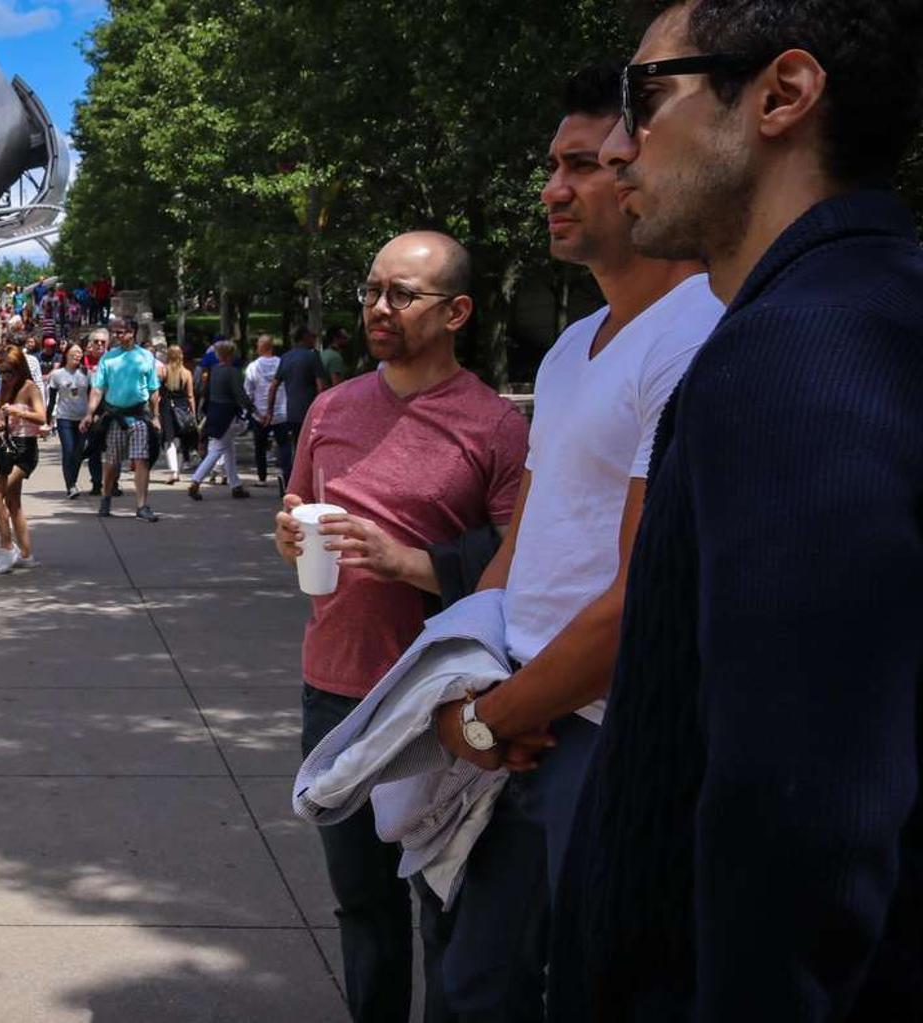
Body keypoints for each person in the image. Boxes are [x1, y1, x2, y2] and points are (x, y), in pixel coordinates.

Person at [551, 3, 923, 1019]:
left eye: (645, 97)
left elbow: (800, 817)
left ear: (781, 95)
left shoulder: (800, 355)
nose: (620, 144)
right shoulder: (863, 312)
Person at [424, 64, 723, 1022]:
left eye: (584, 165)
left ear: (649, 170)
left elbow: (646, 591)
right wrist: (463, 677)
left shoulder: (699, 335)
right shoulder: (572, 344)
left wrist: (491, 716)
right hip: (517, 719)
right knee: (476, 987)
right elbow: (531, 539)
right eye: (552, 165)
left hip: (600, 735)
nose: (552, 188)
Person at [270, 231, 529, 1023]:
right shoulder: (331, 408)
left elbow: (525, 563)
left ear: (457, 312)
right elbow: (299, 512)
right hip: (337, 689)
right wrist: (289, 539)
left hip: (440, 704)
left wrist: (409, 562)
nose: (379, 308)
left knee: (445, 906)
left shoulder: (494, 426)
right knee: (363, 909)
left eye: (401, 295)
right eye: (373, 290)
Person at [79, 325, 163, 521]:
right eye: (114, 333)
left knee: (142, 459)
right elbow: (98, 389)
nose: (116, 336)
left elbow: (153, 389)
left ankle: (142, 506)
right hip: (115, 417)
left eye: (120, 332)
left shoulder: (145, 357)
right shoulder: (108, 358)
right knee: (112, 463)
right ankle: (106, 498)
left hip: (139, 416)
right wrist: (89, 413)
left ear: (132, 332)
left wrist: (156, 416)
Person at [0, 344, 45, 574]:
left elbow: (41, 417)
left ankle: (6, 547)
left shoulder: (29, 388)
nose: (5, 377)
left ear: (19, 369)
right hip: (8, 448)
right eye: (1, 372)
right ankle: (26, 554)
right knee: (13, 503)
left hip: (25, 450)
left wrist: (18, 412)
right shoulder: (4, 388)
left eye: (9, 372)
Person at [187, 340, 251, 500]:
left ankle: (235, 485)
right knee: (217, 450)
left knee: (229, 450)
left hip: (215, 412)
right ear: (230, 354)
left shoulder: (214, 370)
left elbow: (206, 392)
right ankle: (196, 480)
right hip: (228, 414)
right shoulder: (233, 372)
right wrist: (252, 409)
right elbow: (239, 394)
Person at [268, 326, 330, 455]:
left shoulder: (285, 358)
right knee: (313, 448)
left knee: (297, 448)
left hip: (291, 412)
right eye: (312, 337)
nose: (314, 340)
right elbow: (321, 386)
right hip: (310, 411)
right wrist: (322, 410)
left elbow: (273, 386)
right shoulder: (312, 356)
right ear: (305, 338)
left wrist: (270, 411)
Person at [47, 341, 92, 499]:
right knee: (69, 450)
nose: (77, 355)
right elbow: (51, 399)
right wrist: (48, 420)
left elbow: (93, 395)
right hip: (64, 417)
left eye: (80, 353)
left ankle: (73, 480)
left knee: (78, 452)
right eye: (74, 352)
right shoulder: (57, 375)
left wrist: (92, 414)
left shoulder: (86, 373)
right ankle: (70, 486)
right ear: (66, 354)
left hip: (82, 419)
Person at [244, 334, 286, 486]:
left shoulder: (253, 367)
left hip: (260, 414)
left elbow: (247, 392)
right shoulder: (282, 364)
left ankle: (262, 478)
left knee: (260, 447)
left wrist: (255, 413)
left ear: (261, 347)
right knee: (283, 445)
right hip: (281, 412)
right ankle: (285, 475)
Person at [156, 344, 197, 485]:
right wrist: (193, 413)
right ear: (181, 356)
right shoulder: (187, 374)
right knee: (181, 439)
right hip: (182, 408)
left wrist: (155, 412)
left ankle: (173, 471)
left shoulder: (162, 371)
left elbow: (156, 393)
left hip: (166, 408)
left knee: (169, 440)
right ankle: (178, 470)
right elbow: (190, 396)